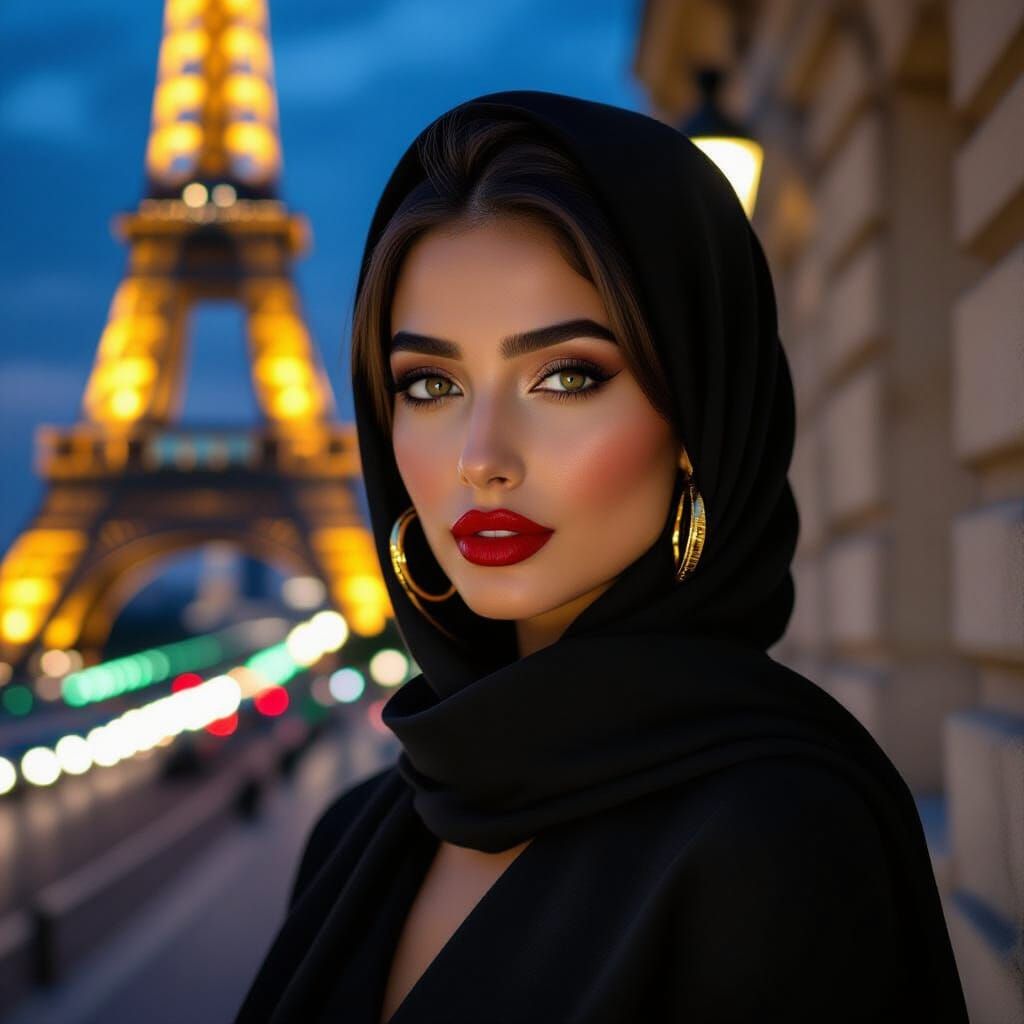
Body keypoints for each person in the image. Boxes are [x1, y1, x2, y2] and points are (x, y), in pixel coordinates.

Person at [233, 90, 969, 1023]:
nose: (481, 459)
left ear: (696, 419)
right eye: (429, 384)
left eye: (566, 376)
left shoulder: (782, 831)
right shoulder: (352, 836)